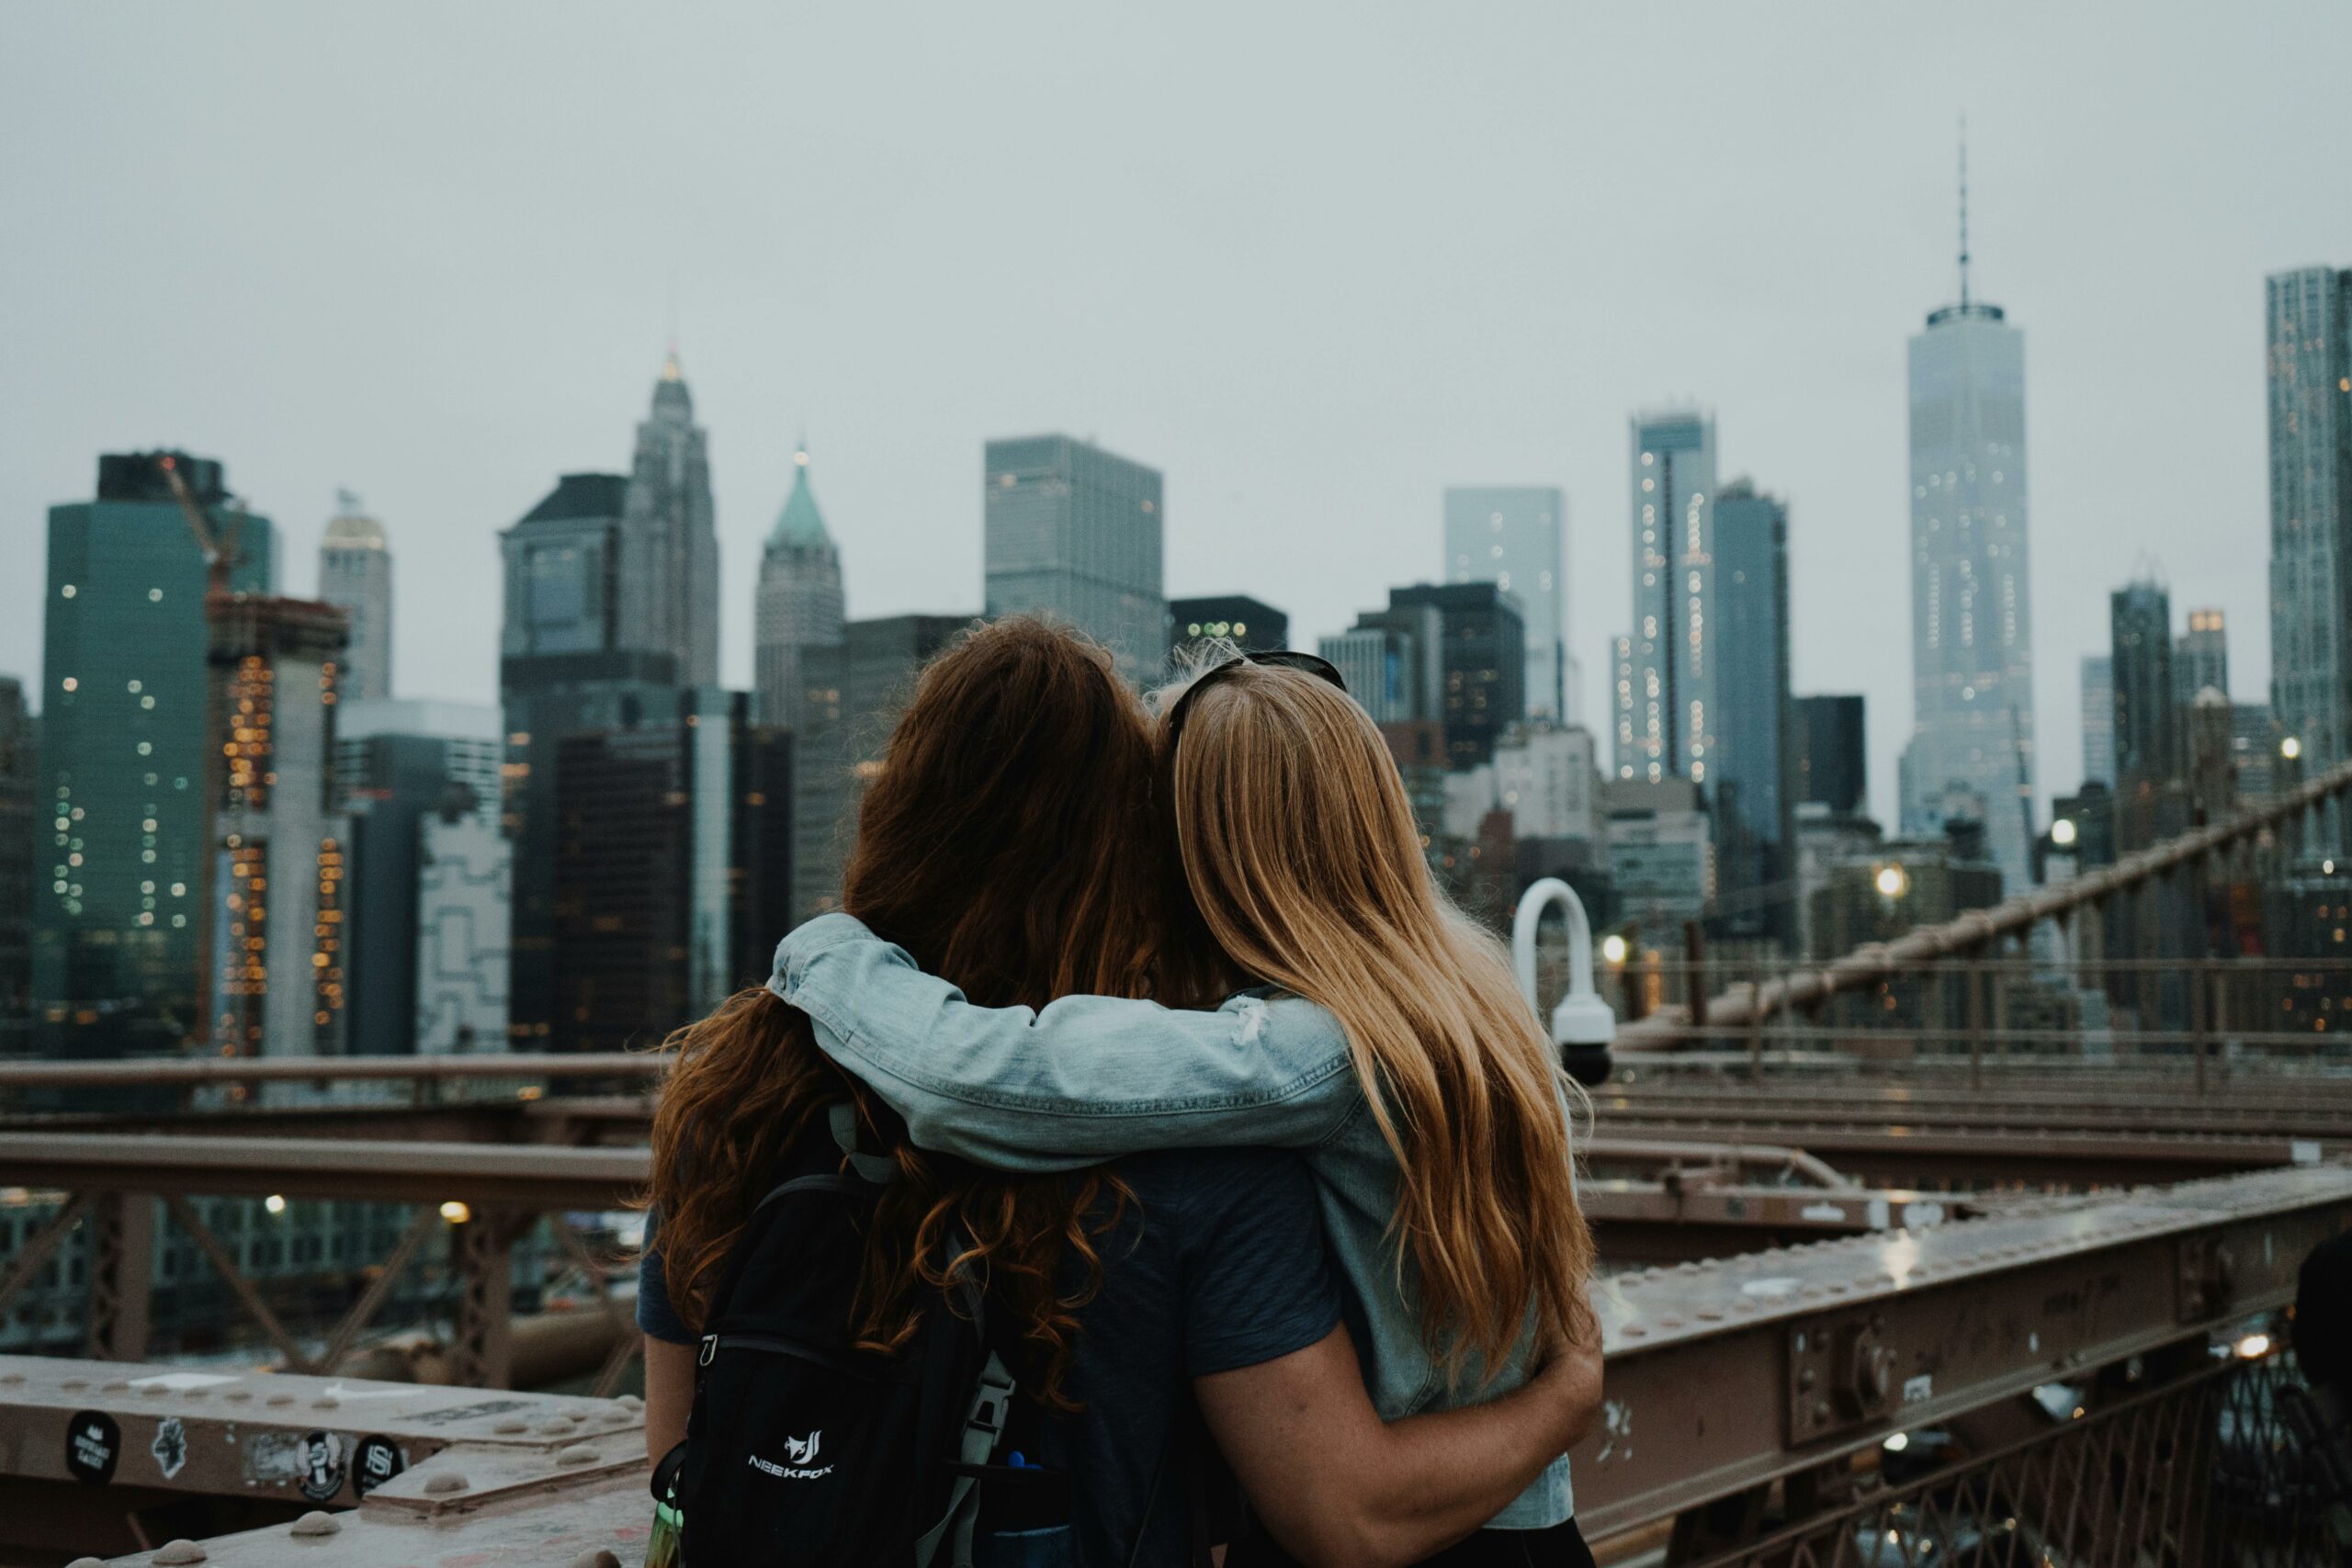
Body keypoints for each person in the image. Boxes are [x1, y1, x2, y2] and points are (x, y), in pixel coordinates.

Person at [641, 621, 1601, 1566]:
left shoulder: (728, 1095)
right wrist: (1562, 1398)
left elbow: (986, 1079)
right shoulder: (1472, 1009)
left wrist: (824, 954)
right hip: (1493, 1518)